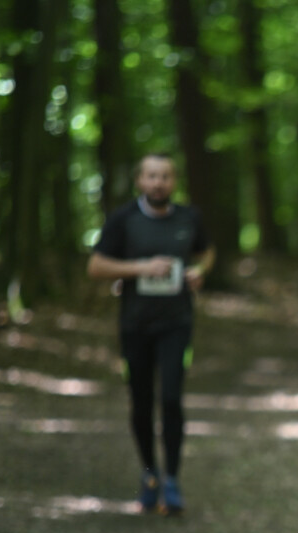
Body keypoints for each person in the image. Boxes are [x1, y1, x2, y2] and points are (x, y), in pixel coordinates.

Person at [87, 153, 215, 514]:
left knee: (172, 399)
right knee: (141, 402)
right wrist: (139, 267)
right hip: (135, 326)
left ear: (173, 182)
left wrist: (197, 271)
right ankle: (149, 476)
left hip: (177, 323)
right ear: (140, 181)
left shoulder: (189, 218)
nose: (158, 182)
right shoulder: (124, 219)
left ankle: (172, 480)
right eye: (151, 176)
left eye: (164, 176)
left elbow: (207, 253)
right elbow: (95, 266)